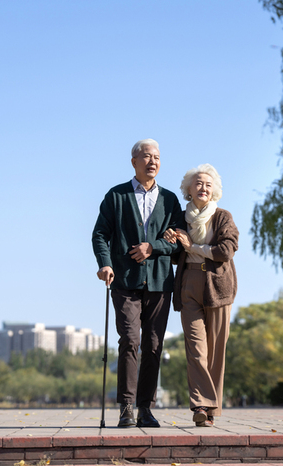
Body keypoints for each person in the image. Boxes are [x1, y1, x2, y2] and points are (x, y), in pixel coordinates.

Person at [92, 138, 183, 428]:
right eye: (146, 156)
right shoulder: (116, 196)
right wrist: (105, 263)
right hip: (124, 281)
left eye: (156, 157)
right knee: (130, 341)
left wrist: (152, 247)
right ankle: (126, 407)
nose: (152, 161)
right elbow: (100, 234)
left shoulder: (170, 200)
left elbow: (178, 242)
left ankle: (146, 407)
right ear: (134, 162)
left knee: (154, 345)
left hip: (159, 283)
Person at [164, 163, 238, 427]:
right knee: (196, 349)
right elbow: (174, 256)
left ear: (214, 189)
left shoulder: (223, 217)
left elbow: (227, 250)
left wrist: (193, 246)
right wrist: (171, 241)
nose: (203, 188)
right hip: (188, 285)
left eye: (208, 184)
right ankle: (200, 405)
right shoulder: (180, 219)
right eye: (198, 183)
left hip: (218, 286)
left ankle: (211, 409)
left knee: (216, 351)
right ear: (188, 189)